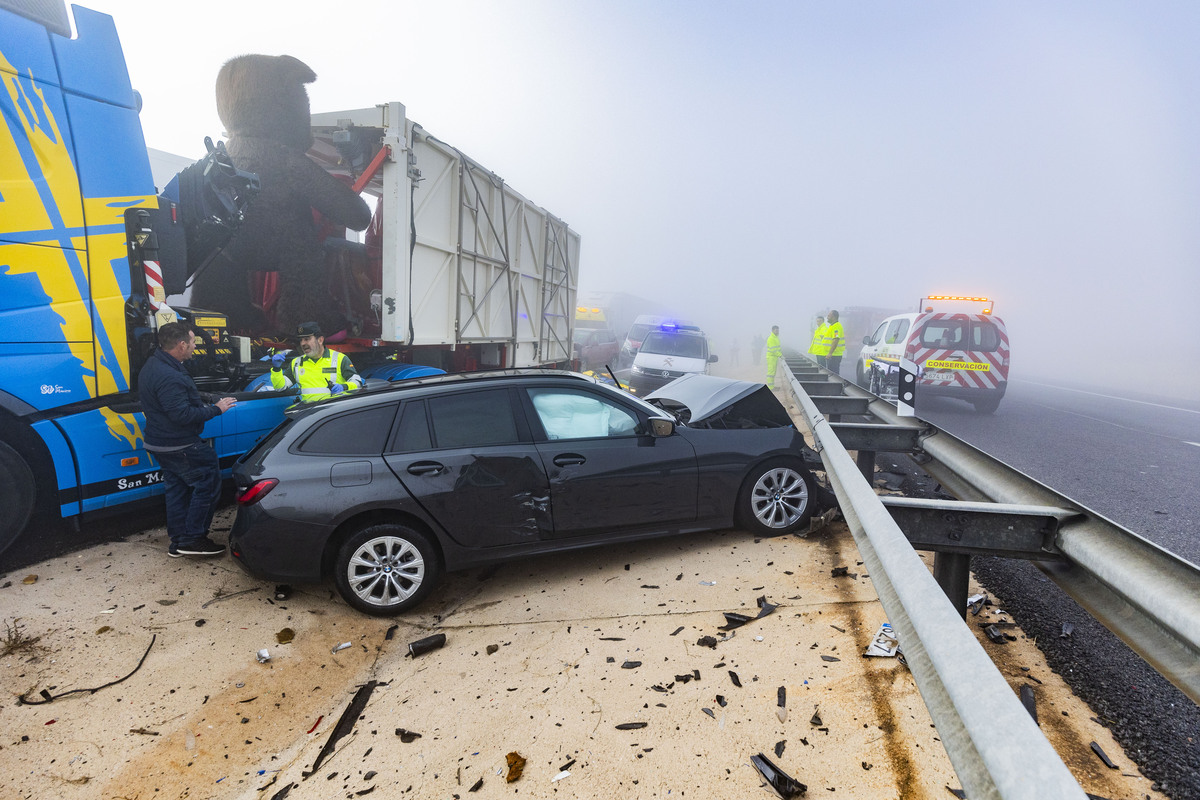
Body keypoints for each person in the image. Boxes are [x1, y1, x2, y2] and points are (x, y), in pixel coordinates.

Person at [138, 322, 236, 557]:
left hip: (161, 443)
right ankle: (193, 539)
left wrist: (202, 397)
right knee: (207, 484)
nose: (194, 346)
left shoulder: (154, 364)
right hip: (180, 444)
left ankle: (178, 542)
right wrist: (217, 409)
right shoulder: (169, 375)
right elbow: (181, 415)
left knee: (177, 490)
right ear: (181, 345)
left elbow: (175, 399)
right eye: (193, 342)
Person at [270, 321, 364, 401]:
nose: (303, 343)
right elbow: (280, 387)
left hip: (333, 415)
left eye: (307, 339)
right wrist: (276, 368)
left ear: (320, 340)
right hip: (310, 417)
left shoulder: (340, 359)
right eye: (301, 340)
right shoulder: (297, 363)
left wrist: (344, 387)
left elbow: (357, 382)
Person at [825, 309, 846, 376]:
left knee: (834, 374)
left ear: (833, 317)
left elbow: (835, 340)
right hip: (833, 354)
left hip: (834, 355)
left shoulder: (836, 327)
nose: (827, 317)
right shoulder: (832, 326)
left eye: (829, 316)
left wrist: (830, 353)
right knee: (831, 373)